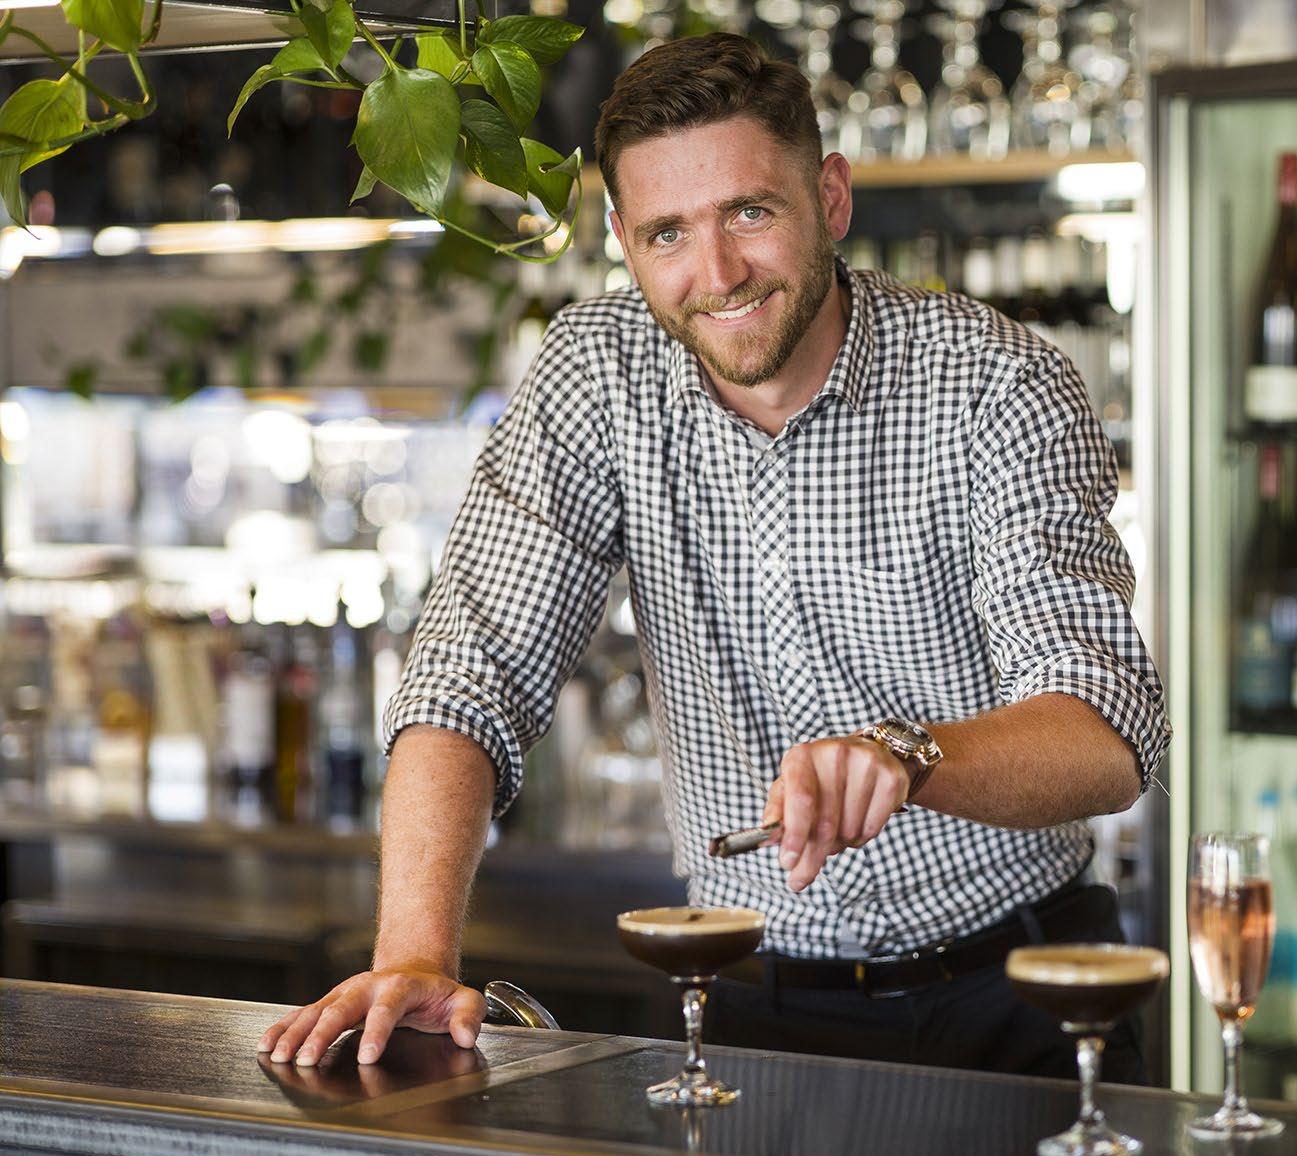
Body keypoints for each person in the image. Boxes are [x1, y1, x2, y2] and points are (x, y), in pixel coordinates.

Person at [258, 32, 1170, 1083]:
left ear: (830, 198)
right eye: (669, 233)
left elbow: (1106, 729)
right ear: (622, 239)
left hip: (1021, 994)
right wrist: (415, 953)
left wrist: (909, 756)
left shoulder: (996, 383)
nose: (719, 273)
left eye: (750, 213)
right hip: (745, 998)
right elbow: (471, 673)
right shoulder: (598, 374)